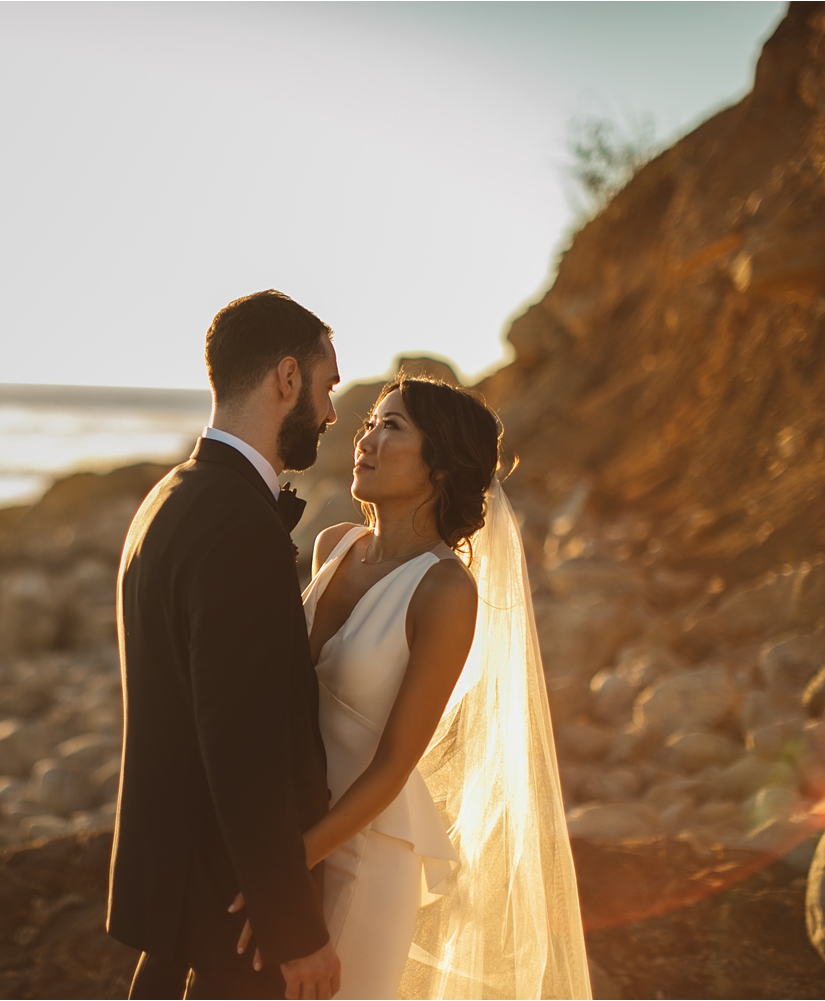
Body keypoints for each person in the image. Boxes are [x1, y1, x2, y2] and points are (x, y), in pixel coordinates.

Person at [231, 376, 592, 999]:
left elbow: (397, 762)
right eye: (369, 424)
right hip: (291, 826)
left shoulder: (446, 590)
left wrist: (289, 867)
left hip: (362, 854)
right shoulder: (332, 546)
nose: (365, 439)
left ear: (442, 465)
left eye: (391, 426)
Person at [107, 289, 343, 999]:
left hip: (178, 899)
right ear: (287, 379)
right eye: (328, 385)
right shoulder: (240, 525)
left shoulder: (169, 497)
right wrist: (292, 925)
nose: (332, 412)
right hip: (229, 914)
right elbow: (243, 744)